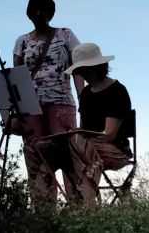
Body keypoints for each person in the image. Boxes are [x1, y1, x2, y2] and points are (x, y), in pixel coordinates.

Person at [24, 43, 133, 206]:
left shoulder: (117, 91)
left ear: (99, 66)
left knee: (77, 142)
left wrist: (77, 137)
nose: (84, 74)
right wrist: (68, 128)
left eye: (86, 69)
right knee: (37, 147)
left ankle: (86, 204)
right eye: (81, 71)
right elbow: (83, 130)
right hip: (82, 148)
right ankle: (42, 209)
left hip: (115, 149)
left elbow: (109, 134)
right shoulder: (87, 94)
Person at [12, 0, 84, 197]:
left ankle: (77, 205)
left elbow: (78, 67)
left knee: (68, 155)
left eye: (43, 10)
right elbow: (15, 79)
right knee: (37, 159)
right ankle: (43, 210)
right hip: (31, 109)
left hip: (61, 103)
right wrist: (16, 113)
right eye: (34, 10)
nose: (38, 14)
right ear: (29, 13)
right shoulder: (22, 41)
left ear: (50, 13)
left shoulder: (66, 35)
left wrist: (83, 98)